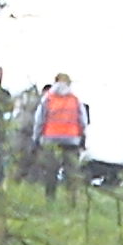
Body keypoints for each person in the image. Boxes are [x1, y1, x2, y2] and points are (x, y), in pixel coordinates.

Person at [38, 72, 88, 200]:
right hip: (71, 141)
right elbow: (83, 121)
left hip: (51, 140)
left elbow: (40, 119)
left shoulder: (47, 98)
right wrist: (82, 138)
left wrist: (36, 138)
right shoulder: (75, 100)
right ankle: (71, 200)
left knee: (51, 171)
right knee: (71, 172)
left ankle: (50, 198)